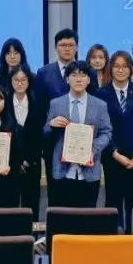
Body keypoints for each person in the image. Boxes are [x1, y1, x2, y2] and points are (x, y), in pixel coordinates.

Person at [96, 51, 133, 232]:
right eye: (116, 66)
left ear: (131, 69)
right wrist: (114, 153)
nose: (120, 70)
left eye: (124, 67)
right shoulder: (101, 94)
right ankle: (113, 241)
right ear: (110, 69)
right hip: (113, 158)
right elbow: (100, 127)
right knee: (113, 203)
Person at [44, 61, 112, 208]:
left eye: (82, 75)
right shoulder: (56, 103)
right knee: (61, 217)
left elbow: (107, 132)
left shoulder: (100, 105)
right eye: (74, 75)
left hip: (89, 172)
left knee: (86, 218)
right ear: (67, 79)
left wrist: (92, 150)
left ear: (88, 79)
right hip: (62, 171)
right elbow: (45, 132)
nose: (78, 79)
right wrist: (51, 124)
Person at [36, 28, 78, 206]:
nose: (67, 48)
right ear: (55, 47)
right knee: (56, 194)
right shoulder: (44, 73)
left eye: (71, 45)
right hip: (53, 142)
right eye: (62, 45)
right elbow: (39, 110)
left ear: (76, 47)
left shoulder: (86, 71)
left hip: (80, 142)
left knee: (79, 192)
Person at [5, 64, 44, 219]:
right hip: (9, 163)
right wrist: (17, 160)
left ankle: (32, 234)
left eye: (23, 80)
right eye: (16, 80)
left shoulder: (37, 103)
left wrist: (28, 159)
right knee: (10, 204)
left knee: (32, 204)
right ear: (11, 81)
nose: (20, 83)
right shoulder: (4, 103)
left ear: (29, 81)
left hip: (32, 162)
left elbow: (39, 136)